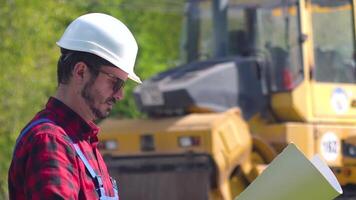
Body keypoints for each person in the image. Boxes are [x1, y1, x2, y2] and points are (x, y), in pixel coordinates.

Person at [8, 13, 141, 199]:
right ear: (80, 72)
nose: (119, 95)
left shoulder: (82, 142)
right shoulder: (50, 141)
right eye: (115, 82)